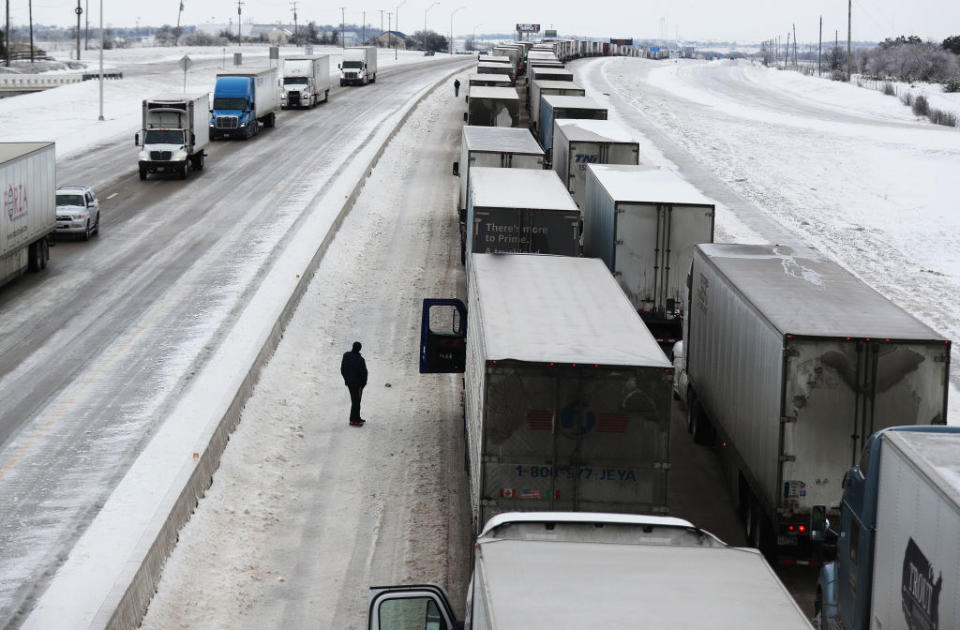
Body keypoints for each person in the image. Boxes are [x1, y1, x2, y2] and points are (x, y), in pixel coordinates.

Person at [340, 341, 368, 426]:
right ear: (359, 349)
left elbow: (342, 369)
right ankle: (354, 420)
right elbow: (363, 373)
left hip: (349, 383)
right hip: (357, 384)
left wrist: (346, 379)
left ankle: (357, 417)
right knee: (356, 401)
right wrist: (363, 384)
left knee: (355, 401)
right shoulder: (360, 359)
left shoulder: (346, 355)